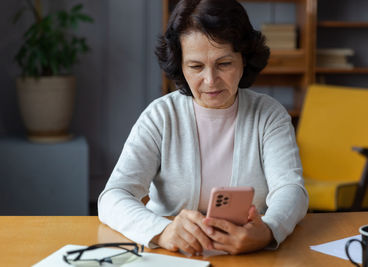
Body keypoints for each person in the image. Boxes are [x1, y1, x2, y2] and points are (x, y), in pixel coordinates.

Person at [98, 0, 308, 256]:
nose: (210, 81)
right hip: (170, 256)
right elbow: (113, 196)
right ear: (180, 66)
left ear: (244, 60)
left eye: (224, 64)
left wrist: (269, 229)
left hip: (248, 257)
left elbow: (291, 189)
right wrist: (162, 231)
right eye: (196, 66)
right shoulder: (160, 116)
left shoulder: (269, 115)